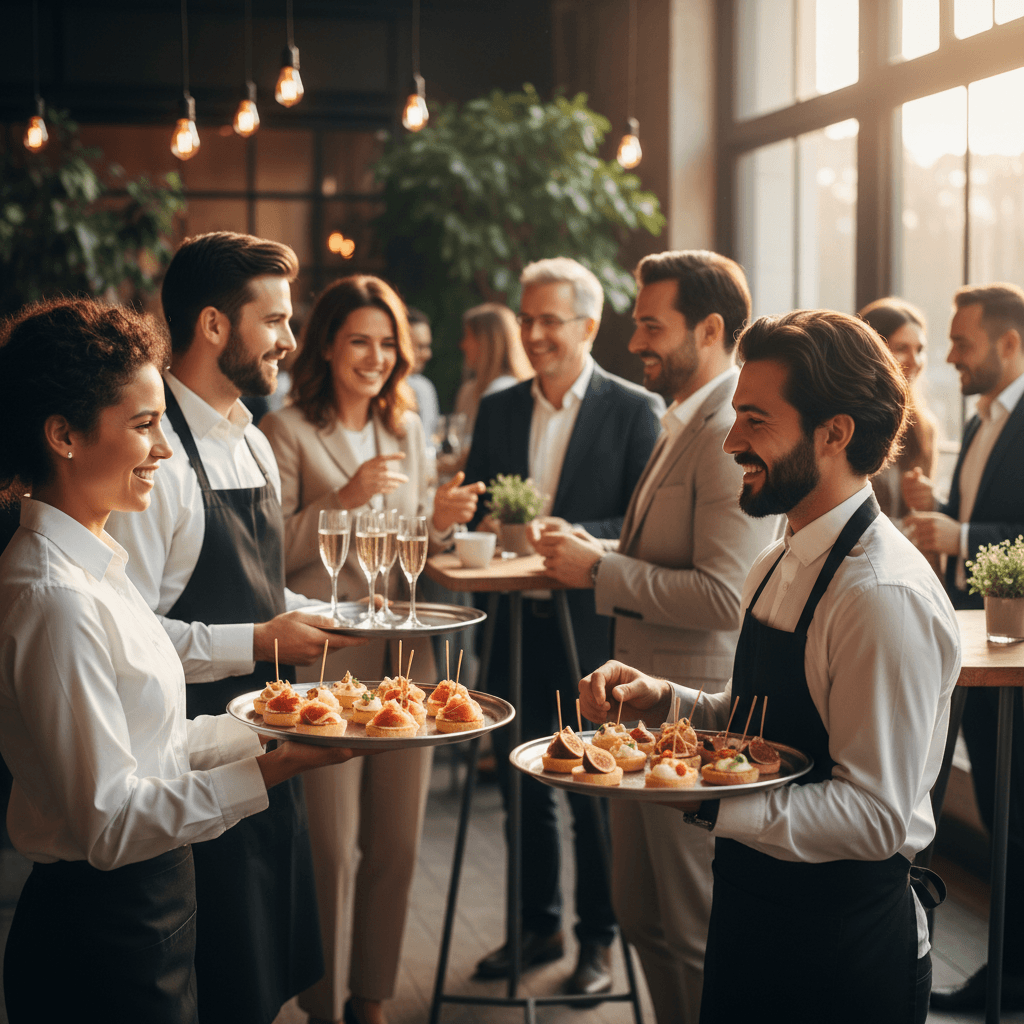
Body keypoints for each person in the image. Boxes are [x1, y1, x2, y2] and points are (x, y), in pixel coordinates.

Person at [580, 309, 961, 1024]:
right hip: (751, 917)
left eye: (754, 421)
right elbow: (754, 726)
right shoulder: (775, 557)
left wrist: (702, 798)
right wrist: (663, 701)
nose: (730, 443)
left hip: (841, 954)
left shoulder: (882, 596)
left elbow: (875, 816)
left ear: (835, 433)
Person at [0, 298, 363, 1024]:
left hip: (152, 908)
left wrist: (274, 730)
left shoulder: (99, 567)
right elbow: (109, 825)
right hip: (99, 935)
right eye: (143, 425)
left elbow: (154, 745)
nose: (165, 450)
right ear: (63, 435)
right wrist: (270, 770)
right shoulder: (53, 597)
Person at [105, 232, 363, 1024]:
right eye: (276, 320)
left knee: (263, 979)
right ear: (215, 326)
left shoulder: (250, 435)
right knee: (216, 985)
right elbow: (127, 639)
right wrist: (258, 642)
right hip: (191, 762)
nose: (292, 340)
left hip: (266, 737)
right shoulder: (156, 461)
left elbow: (253, 580)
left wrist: (316, 616)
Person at [536, 250, 781, 1024]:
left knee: (690, 926)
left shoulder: (723, 434)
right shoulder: (682, 422)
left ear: (709, 330)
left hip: (687, 719)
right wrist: (599, 550)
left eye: (650, 324)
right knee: (640, 916)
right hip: (640, 714)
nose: (634, 341)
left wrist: (597, 574)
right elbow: (670, 556)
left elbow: (722, 595)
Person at [260, 275, 484, 1024]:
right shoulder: (285, 430)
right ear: (326, 344)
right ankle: (323, 1006)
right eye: (360, 339)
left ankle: (374, 1000)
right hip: (325, 662)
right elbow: (273, 553)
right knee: (329, 847)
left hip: (405, 658)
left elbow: (412, 543)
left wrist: (442, 521)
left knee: (396, 840)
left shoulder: (409, 430)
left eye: (388, 343)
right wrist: (343, 500)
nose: (377, 356)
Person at [463, 256, 663, 997]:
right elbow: (482, 512)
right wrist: (463, 516)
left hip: (596, 629)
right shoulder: (500, 407)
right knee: (522, 789)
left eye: (551, 319)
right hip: (515, 623)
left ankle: (599, 941)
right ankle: (535, 925)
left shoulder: (634, 409)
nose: (536, 333)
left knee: (592, 788)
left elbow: (641, 525)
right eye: (528, 318)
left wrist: (572, 532)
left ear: (588, 324)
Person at [901, 283, 1024, 1012]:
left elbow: (994, 533)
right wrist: (942, 515)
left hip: (1014, 655)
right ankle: (1003, 976)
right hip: (972, 643)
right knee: (1004, 815)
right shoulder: (980, 423)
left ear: (1009, 344)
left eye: (961, 343)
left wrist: (964, 538)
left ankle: (1007, 980)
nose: (947, 357)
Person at [858, 297, 940, 522]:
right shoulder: (845, 421)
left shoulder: (925, 428)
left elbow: (924, 518)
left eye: (920, 349)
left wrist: (929, 500)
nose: (915, 361)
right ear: (874, 352)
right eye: (902, 348)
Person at [453, 301, 534, 435]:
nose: (463, 345)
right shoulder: (468, 391)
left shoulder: (504, 390)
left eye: (468, 336)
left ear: (487, 342)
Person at [405, 307, 440, 441]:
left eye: (427, 346)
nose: (428, 354)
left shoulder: (424, 387)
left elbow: (429, 444)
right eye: (419, 347)